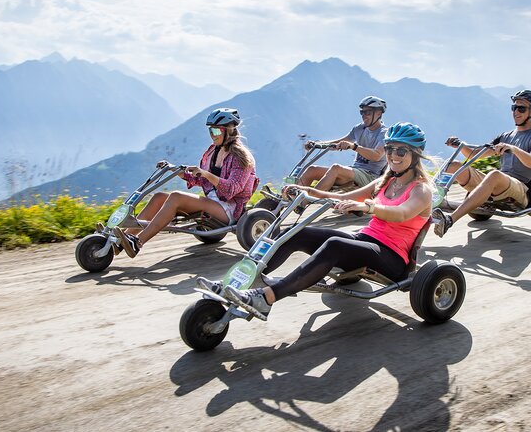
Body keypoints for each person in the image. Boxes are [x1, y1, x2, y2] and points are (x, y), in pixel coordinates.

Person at [198, 122, 433, 320]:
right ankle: (241, 283)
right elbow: (342, 197)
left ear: (415, 155)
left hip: (392, 258)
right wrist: (307, 192)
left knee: (334, 246)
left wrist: (367, 206)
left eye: (401, 151)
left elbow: (402, 213)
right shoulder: (387, 180)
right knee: (298, 232)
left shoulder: (422, 190)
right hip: (365, 241)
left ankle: (266, 298)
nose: (392, 155)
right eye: (389, 149)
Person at [112, 108, 258, 260]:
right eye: (210, 131)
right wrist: (174, 169)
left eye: (215, 132)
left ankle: (138, 242)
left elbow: (232, 189)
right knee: (158, 197)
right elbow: (199, 179)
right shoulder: (213, 152)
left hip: (228, 208)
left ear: (228, 130)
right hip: (212, 203)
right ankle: (123, 241)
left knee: (176, 197)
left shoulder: (242, 158)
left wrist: (206, 173)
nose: (212, 136)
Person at [431, 89, 531, 238]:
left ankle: (449, 220)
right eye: (514, 107)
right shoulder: (505, 136)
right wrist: (460, 145)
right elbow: (475, 154)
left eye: (521, 108)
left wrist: (514, 149)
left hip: (523, 191)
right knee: (453, 165)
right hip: (499, 184)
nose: (516, 112)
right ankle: (423, 201)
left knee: (494, 175)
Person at [297, 96, 388, 191]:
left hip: (370, 176)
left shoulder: (385, 133)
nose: (364, 115)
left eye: (367, 112)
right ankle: (294, 201)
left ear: (379, 113)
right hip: (353, 171)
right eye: (362, 112)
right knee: (312, 170)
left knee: (336, 168)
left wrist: (354, 147)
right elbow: (340, 142)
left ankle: (308, 200)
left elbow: (376, 155)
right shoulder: (359, 128)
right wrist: (317, 144)